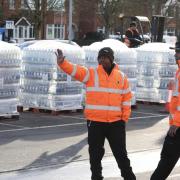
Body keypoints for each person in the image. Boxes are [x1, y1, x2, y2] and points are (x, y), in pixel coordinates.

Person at [56, 47, 136, 180]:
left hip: (116, 123)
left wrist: (124, 119)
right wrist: (62, 63)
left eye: (105, 57)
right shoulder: (91, 74)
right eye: (100, 58)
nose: (102, 60)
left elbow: (126, 99)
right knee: (95, 155)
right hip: (96, 123)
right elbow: (75, 70)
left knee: (121, 155)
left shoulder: (121, 77)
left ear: (111, 59)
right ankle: (96, 177)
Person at [150, 41, 180, 180]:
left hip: (178, 127)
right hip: (176, 125)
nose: (175, 54)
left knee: (166, 160)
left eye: (178, 51)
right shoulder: (178, 72)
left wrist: (177, 122)